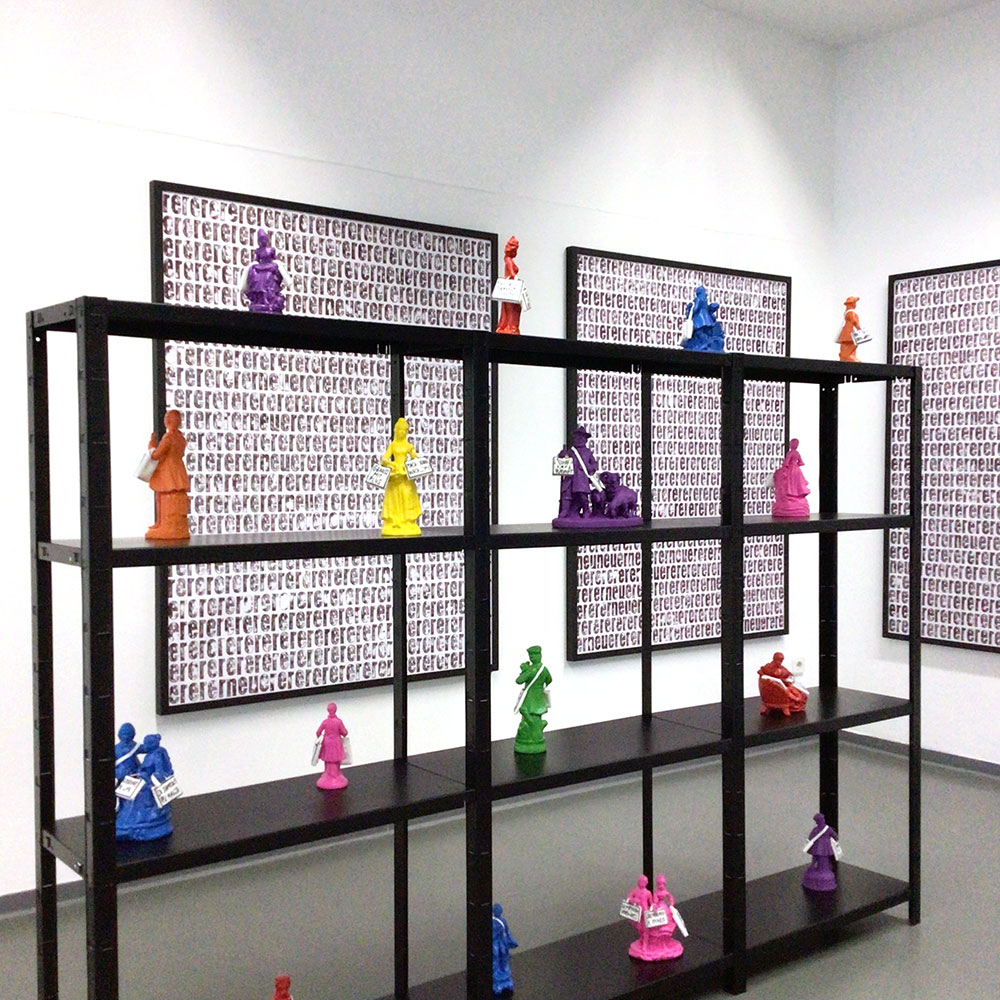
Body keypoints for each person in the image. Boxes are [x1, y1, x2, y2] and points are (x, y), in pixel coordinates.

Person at [118, 734, 175, 841]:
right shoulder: (149, 755)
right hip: (144, 778)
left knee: (139, 792)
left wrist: (148, 778)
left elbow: (158, 772)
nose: (146, 746)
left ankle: (140, 818)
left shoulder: (157, 755)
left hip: (151, 782)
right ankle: (127, 817)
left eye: (148, 744)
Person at [146, 409, 191, 540]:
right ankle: (161, 523)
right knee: (163, 494)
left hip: (168, 471)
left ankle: (164, 523)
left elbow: (156, 455)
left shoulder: (169, 438)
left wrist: (151, 445)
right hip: (178, 469)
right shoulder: (181, 438)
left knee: (163, 494)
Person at [380, 418, 423, 536]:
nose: (401, 432)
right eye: (399, 430)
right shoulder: (393, 445)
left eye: (404, 430)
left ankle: (408, 520)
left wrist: (411, 465)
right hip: (395, 475)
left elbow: (415, 458)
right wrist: (390, 463)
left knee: (406, 496)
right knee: (394, 496)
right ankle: (394, 521)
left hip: (405, 475)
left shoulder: (408, 446)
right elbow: (384, 458)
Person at [240, 229, 289, 314]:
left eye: (264, 238)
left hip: (270, 266)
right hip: (261, 267)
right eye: (261, 239)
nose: (263, 241)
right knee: (256, 274)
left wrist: (276, 264)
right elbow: (256, 260)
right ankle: (259, 295)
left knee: (269, 276)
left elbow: (275, 259)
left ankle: (269, 297)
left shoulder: (271, 249)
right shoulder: (258, 251)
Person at [513, 645, 552, 754]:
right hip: (538, 697)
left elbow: (519, 680)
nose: (532, 658)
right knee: (534, 714)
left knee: (526, 712)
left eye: (534, 655)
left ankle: (533, 737)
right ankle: (536, 734)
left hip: (530, 696)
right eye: (531, 655)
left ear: (539, 655)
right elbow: (549, 680)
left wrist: (524, 671)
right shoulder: (544, 669)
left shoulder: (532, 670)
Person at [771, 438, 810, 518]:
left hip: (791, 469)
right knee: (797, 484)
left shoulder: (790, 453)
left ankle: (791, 495)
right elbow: (800, 462)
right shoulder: (797, 453)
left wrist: (784, 468)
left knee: (791, 483)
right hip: (797, 470)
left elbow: (786, 462)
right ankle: (794, 496)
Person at [315, 702, 349, 789]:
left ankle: (329, 773)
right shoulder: (339, 721)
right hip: (336, 742)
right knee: (335, 759)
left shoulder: (325, 722)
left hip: (327, 742)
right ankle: (335, 774)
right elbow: (345, 732)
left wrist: (322, 737)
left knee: (328, 758)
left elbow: (318, 732)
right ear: (335, 710)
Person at [802, 812, 839, 891]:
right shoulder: (828, 829)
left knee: (816, 859)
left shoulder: (816, 829)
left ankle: (819, 870)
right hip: (825, 848)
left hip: (817, 847)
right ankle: (822, 870)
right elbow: (835, 836)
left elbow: (810, 837)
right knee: (823, 860)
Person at [496, 237, 521, 334]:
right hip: (510, 288)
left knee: (511, 308)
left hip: (509, 288)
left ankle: (509, 326)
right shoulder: (509, 260)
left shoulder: (508, 259)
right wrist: (517, 279)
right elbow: (512, 273)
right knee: (513, 309)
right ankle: (511, 327)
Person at [491, 903, 518, 994]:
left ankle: (504, 973)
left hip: (502, 942)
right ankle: (496, 975)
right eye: (496, 910)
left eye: (499, 910)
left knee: (504, 957)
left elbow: (507, 931)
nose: (497, 912)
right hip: (495, 943)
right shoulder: (492, 921)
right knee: (495, 958)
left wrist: (511, 941)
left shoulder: (503, 920)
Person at [837, 296, 861, 362]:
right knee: (852, 343)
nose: (855, 304)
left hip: (849, 331)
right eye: (854, 303)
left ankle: (850, 355)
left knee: (853, 343)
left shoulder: (849, 312)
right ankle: (848, 356)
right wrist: (858, 327)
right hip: (849, 331)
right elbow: (854, 320)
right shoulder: (851, 312)